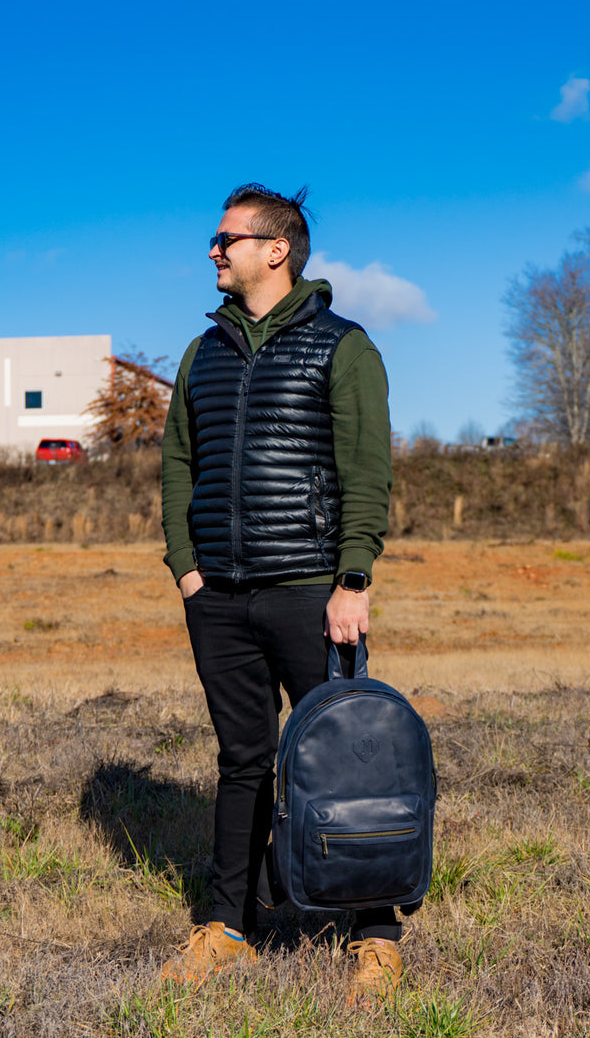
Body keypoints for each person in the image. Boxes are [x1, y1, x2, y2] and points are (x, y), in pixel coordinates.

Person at [159, 183, 401, 996]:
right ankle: (231, 925)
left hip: (310, 587)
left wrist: (352, 579)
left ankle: (373, 932)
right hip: (220, 595)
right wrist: (186, 568)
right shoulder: (204, 352)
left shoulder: (342, 345)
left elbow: (366, 471)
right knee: (241, 759)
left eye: (226, 238)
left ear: (276, 249)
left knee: (347, 758)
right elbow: (177, 465)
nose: (213, 251)